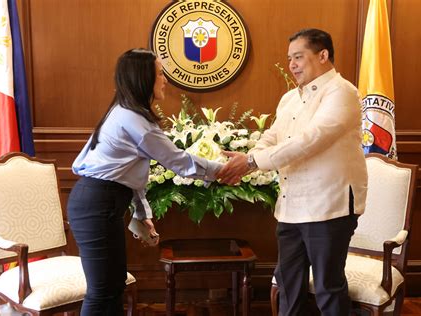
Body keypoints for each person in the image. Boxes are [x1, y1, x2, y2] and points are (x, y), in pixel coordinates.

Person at [217, 29, 367, 315]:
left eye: (299, 57)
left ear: (322, 55)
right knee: (289, 286)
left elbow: (310, 141)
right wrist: (251, 155)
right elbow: (272, 136)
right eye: (289, 59)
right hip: (290, 207)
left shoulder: (342, 92)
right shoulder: (289, 99)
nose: (292, 65)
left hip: (328, 207)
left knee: (328, 288)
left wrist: (250, 162)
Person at [67, 48, 223, 316]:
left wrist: (142, 213)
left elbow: (131, 174)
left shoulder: (126, 112)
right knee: (103, 289)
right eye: (161, 74)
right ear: (142, 79)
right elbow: (178, 161)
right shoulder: (133, 119)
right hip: (97, 204)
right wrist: (225, 169)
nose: (165, 80)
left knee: (113, 286)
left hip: (100, 202)